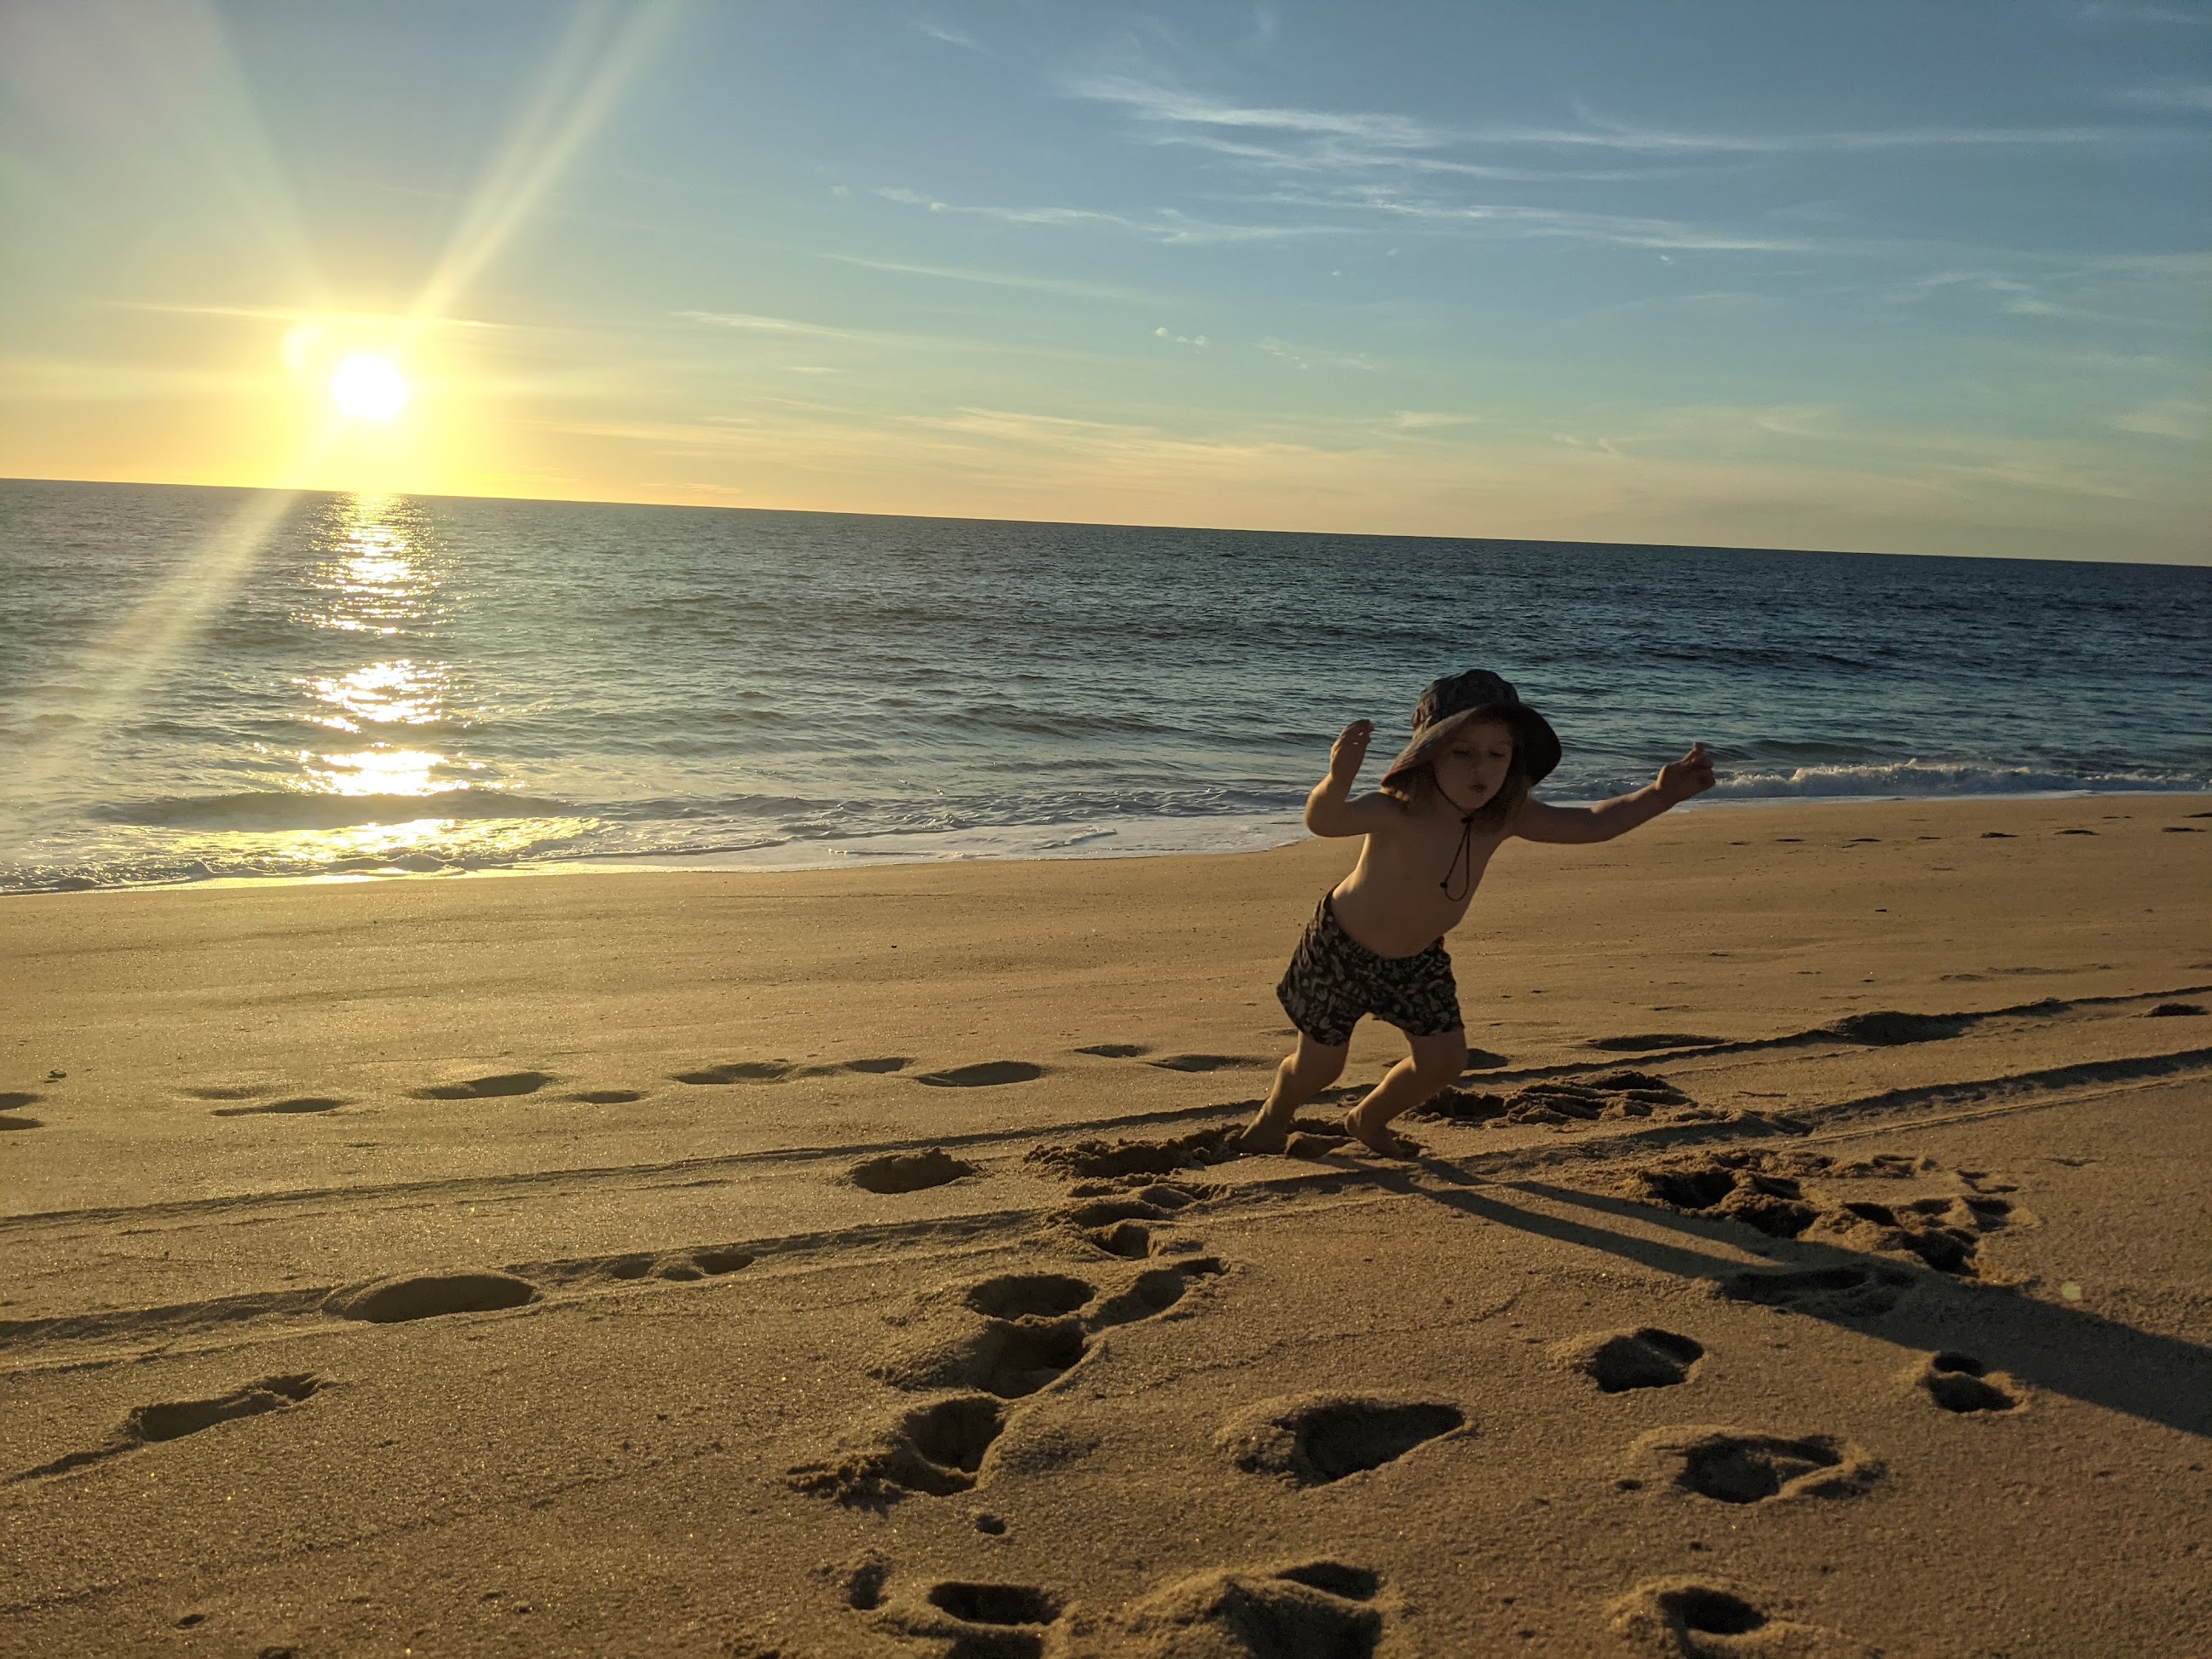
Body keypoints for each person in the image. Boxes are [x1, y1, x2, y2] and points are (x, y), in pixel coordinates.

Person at [1237, 670, 1715, 1158]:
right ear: (1428, 754)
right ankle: (1272, 1120)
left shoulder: (1505, 816)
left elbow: (1592, 824)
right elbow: (1324, 821)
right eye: (1461, 753)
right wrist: (1337, 780)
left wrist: (1661, 795)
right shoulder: (1396, 809)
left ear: (1514, 759)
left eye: (1496, 754)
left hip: (1417, 960)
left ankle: (1367, 1119)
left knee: (1443, 1062)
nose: (1480, 769)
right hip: (1340, 948)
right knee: (1321, 1066)